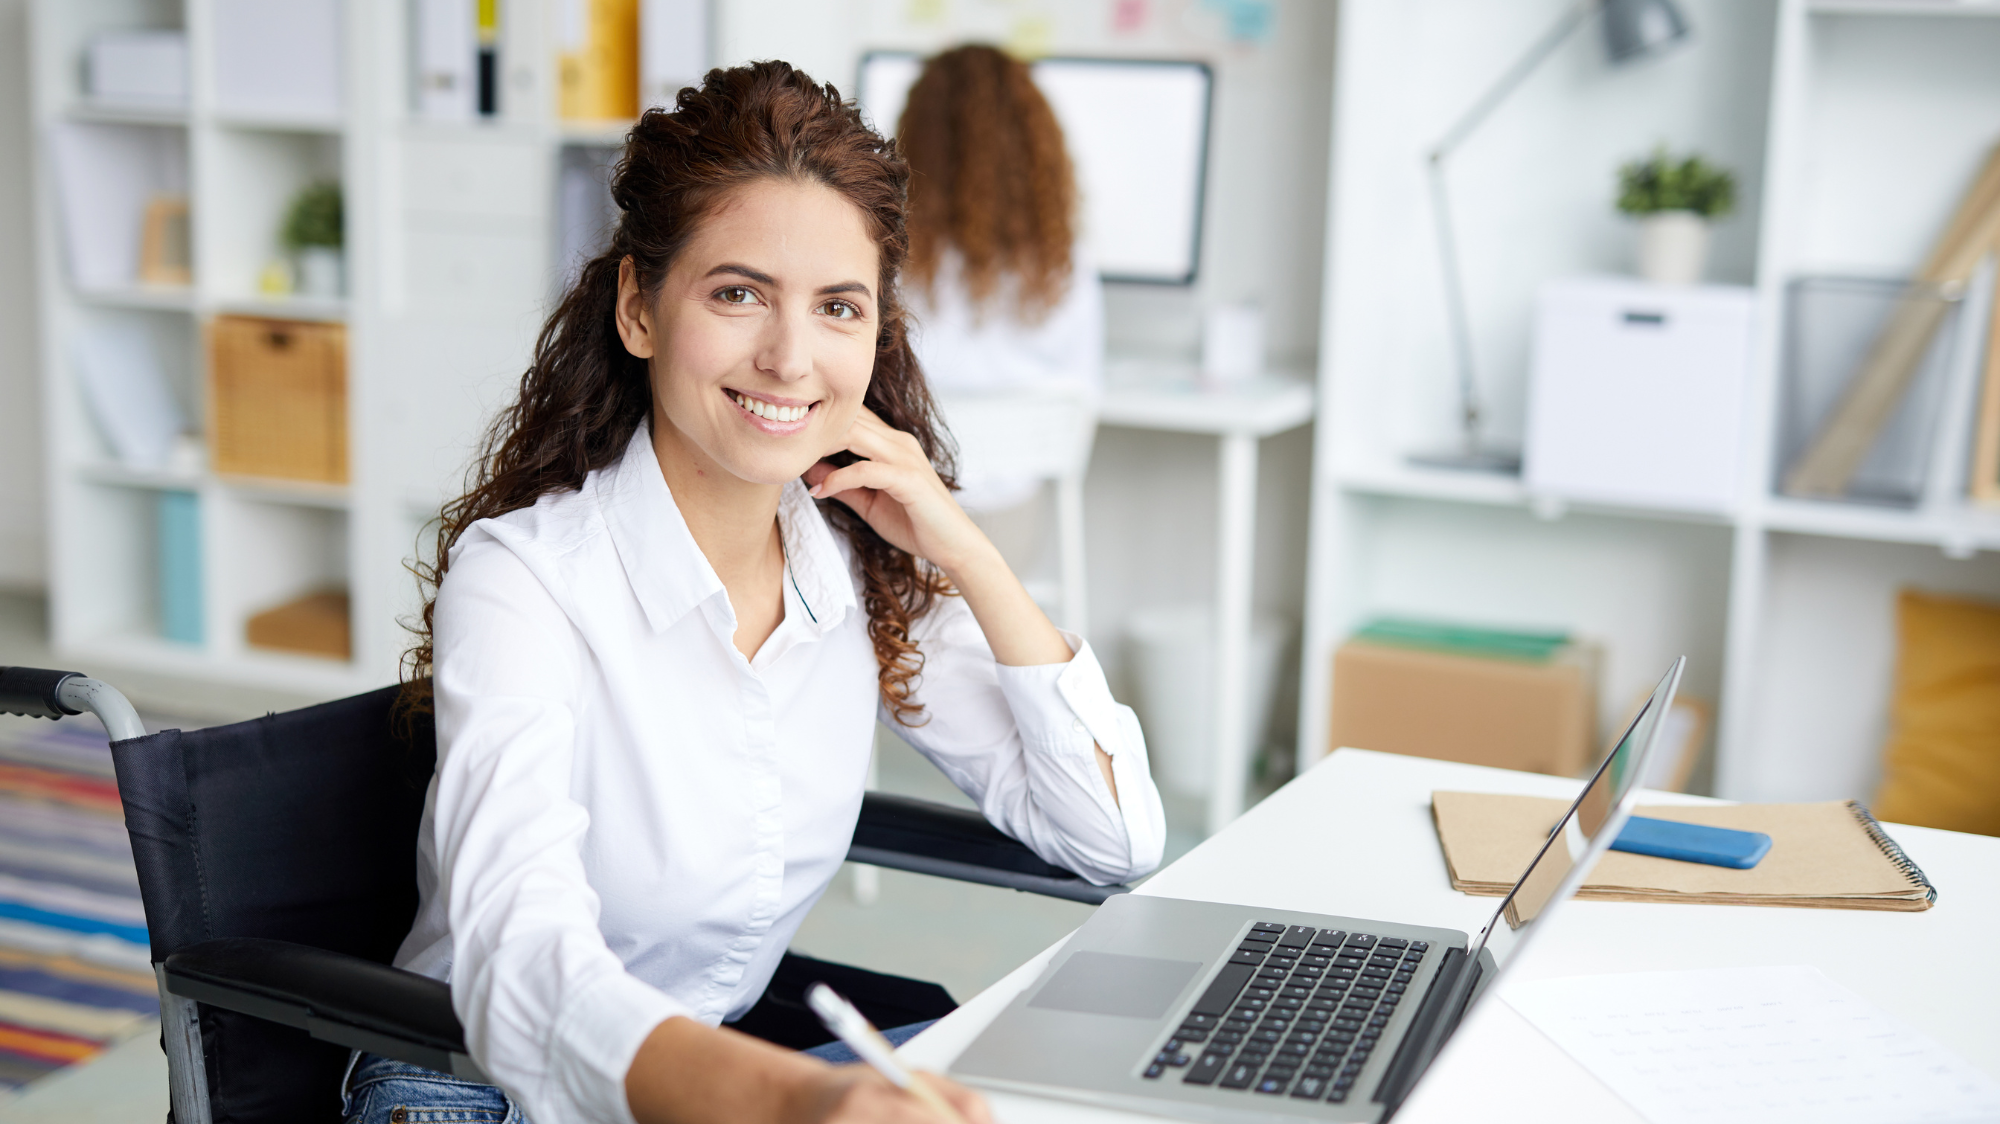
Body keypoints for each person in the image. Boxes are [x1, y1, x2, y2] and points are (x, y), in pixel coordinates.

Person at [347, 61, 1165, 1124]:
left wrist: (966, 553)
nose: (789, 357)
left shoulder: (851, 567)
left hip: (714, 1083)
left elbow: (1113, 837)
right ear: (639, 311)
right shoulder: (527, 580)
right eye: (737, 293)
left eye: (836, 307)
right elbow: (523, 961)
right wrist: (795, 1099)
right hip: (477, 1089)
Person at [896, 44, 1104, 513]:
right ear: (1034, 147)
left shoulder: (891, 258)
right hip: (1014, 515)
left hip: (909, 502)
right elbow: (1085, 389)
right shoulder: (1066, 265)